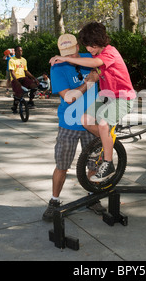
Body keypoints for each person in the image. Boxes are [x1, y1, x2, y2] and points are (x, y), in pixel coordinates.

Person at [49, 22, 136, 180]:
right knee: (86, 120)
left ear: (101, 41)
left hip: (122, 97)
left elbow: (95, 64)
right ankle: (105, 141)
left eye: (92, 46)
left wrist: (63, 58)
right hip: (106, 97)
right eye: (87, 46)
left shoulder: (109, 52)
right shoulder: (95, 53)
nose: (89, 50)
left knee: (102, 123)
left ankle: (108, 163)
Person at [42, 34, 103, 220]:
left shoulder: (91, 58)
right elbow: (68, 96)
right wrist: (88, 83)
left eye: (73, 50)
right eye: (65, 52)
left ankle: (93, 197)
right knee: (62, 165)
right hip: (69, 123)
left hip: (92, 121)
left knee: (95, 162)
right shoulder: (58, 66)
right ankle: (54, 201)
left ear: (78, 46)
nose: (71, 55)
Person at [8, 46, 39, 112]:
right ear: (15, 52)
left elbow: (26, 71)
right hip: (15, 79)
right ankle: (15, 106)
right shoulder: (12, 60)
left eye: (21, 50)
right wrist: (16, 81)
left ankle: (30, 102)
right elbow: (12, 71)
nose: (20, 52)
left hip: (23, 78)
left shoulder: (24, 60)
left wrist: (34, 78)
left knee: (34, 87)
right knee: (19, 93)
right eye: (19, 51)